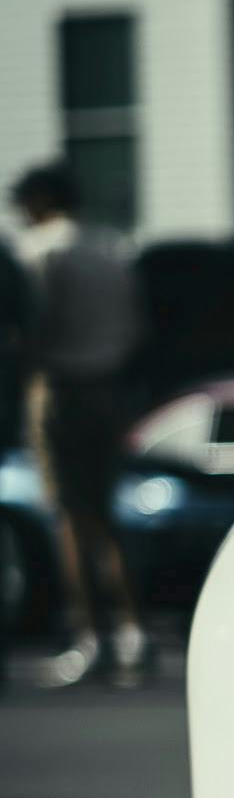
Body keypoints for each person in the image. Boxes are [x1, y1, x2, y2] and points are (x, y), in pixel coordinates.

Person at [10, 161, 147, 687]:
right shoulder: (111, 248)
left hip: (60, 387)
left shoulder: (39, 251)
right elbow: (136, 326)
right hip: (109, 387)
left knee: (69, 516)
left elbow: (36, 329)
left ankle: (88, 635)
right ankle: (131, 629)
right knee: (104, 514)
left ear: (42, 200)